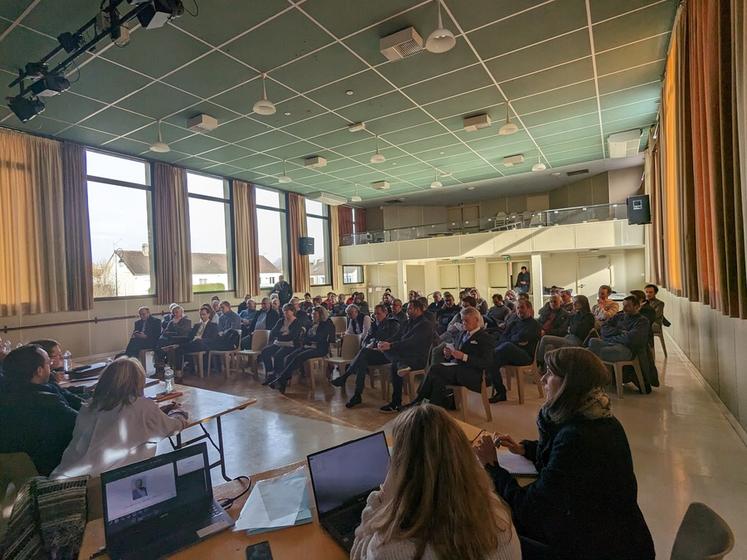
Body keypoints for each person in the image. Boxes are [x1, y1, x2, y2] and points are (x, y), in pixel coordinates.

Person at [474, 348, 655, 560]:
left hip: (598, 548)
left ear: (569, 383)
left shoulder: (577, 438)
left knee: (493, 537)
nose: (542, 379)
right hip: (614, 536)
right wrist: (526, 449)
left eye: (550, 373)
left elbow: (529, 509)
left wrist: (493, 467)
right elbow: (563, 465)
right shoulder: (599, 420)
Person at [352, 404, 520, 560]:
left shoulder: (387, 549)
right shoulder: (501, 521)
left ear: (401, 470)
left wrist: (380, 498)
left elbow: (357, 554)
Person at [51, 358, 188, 478]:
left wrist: (156, 412)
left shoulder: (89, 405)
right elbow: (173, 427)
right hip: (100, 484)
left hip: (66, 476)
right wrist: (178, 414)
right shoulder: (142, 406)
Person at [0, 345, 78, 475]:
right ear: (39, 371)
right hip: (56, 469)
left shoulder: (9, 396)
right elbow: (82, 423)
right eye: (48, 363)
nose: (51, 366)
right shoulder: (46, 401)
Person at [412, 307, 494, 409]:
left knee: (435, 368)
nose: (463, 323)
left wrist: (464, 357)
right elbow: (455, 355)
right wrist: (449, 355)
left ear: (476, 320)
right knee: (438, 379)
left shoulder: (485, 338)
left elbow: (486, 363)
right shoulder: (461, 334)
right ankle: (433, 408)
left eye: (466, 320)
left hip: (473, 374)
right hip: (457, 369)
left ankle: (419, 400)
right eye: (462, 320)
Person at [332, 304, 401, 408]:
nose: (376, 316)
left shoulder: (393, 324)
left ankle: (346, 377)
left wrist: (376, 343)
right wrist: (369, 344)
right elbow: (365, 340)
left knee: (363, 354)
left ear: (385, 313)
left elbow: (392, 340)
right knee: (362, 360)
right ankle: (357, 395)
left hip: (386, 355)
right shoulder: (374, 325)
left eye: (379, 314)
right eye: (375, 314)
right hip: (373, 352)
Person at [377, 299, 434, 413]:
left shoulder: (425, 325)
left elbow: (412, 342)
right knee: (388, 352)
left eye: (410, 308)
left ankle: (395, 402)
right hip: (403, 355)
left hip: (417, 358)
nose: (407, 311)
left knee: (393, 363)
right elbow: (397, 336)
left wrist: (391, 346)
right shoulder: (408, 322)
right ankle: (400, 364)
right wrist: (385, 343)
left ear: (418, 310)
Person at [268, 306, 335, 393]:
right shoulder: (312, 323)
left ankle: (281, 381)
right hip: (309, 346)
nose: (312, 316)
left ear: (321, 315)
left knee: (299, 357)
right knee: (290, 357)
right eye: (312, 314)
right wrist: (308, 339)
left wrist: (309, 339)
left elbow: (319, 338)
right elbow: (305, 337)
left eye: (314, 314)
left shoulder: (327, 324)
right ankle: (283, 381)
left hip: (320, 349)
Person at [488, 299, 541, 403]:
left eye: (522, 307)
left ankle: (488, 358)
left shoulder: (534, 324)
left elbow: (522, 337)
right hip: (509, 353)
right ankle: (501, 392)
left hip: (525, 356)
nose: (519, 310)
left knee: (506, 346)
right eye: (517, 308)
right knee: (492, 362)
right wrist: (515, 339)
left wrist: (513, 339)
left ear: (529, 309)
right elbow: (504, 337)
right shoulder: (514, 323)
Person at [536, 295, 595, 369]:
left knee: (545, 338)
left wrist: (572, 328)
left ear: (582, 303)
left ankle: (538, 363)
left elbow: (578, 332)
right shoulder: (575, 315)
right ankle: (548, 370)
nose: (574, 304)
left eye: (576, 303)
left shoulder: (589, 317)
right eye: (573, 302)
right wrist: (573, 327)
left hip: (576, 341)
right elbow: (571, 328)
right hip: (568, 337)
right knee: (549, 346)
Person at [28, 339, 85, 410]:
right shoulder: (45, 389)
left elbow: (66, 393)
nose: (61, 357)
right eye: (57, 355)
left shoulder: (49, 378)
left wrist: (85, 390)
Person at [260, 303, 303, 380]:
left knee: (278, 355)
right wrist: (283, 334)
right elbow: (273, 332)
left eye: (287, 310)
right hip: (278, 343)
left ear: (292, 311)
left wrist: (280, 335)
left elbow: (292, 336)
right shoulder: (281, 321)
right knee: (265, 351)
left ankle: (279, 376)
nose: (285, 312)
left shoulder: (297, 322)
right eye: (284, 310)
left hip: (291, 345)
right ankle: (270, 373)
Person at [172, 305, 219, 374]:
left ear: (208, 314)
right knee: (178, 349)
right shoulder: (197, 325)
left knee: (196, 342)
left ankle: (180, 345)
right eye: (201, 315)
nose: (202, 316)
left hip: (204, 344)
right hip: (193, 344)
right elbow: (189, 337)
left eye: (204, 314)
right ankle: (178, 371)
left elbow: (213, 339)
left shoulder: (213, 325)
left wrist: (201, 339)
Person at [155, 305, 191, 370]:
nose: (175, 314)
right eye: (174, 312)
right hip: (170, 339)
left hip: (181, 339)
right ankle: (160, 364)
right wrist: (170, 332)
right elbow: (165, 332)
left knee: (166, 343)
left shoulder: (187, 321)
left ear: (181, 312)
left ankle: (174, 368)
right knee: (160, 341)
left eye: (177, 312)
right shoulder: (171, 321)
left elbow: (183, 332)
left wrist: (175, 324)